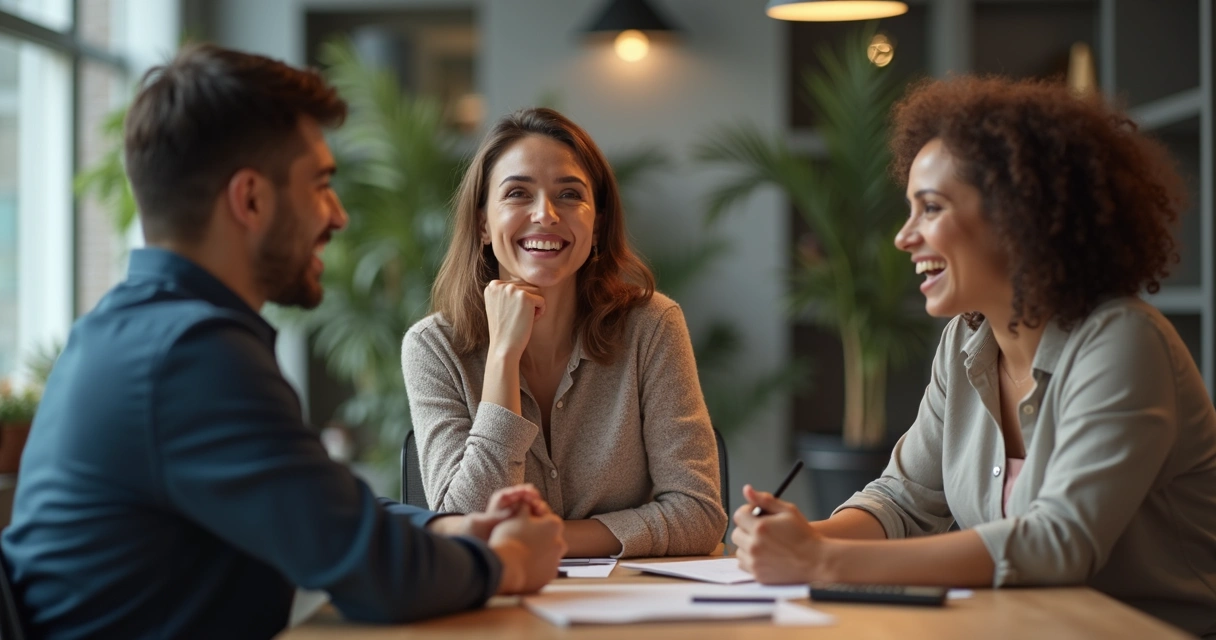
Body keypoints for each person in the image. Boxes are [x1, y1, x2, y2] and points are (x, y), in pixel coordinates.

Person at [0, 44, 565, 640]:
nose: (339, 215)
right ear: (250, 199)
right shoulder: (192, 356)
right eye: (320, 183)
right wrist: (509, 563)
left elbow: (318, 507)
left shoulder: (126, 331)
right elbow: (376, 575)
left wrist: (447, 529)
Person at [731, 76, 1216, 637]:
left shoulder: (1124, 343)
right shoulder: (966, 341)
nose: (904, 237)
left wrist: (819, 562)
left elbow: (1057, 542)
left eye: (930, 208)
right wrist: (801, 538)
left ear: (1017, 217)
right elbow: (903, 499)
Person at [401, 107, 727, 558]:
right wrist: (502, 356)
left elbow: (699, 514)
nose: (545, 214)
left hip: (625, 608)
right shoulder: (433, 347)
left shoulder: (650, 325)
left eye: (569, 194)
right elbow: (464, 523)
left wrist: (548, 541)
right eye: (518, 193)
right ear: (482, 224)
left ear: (596, 225)